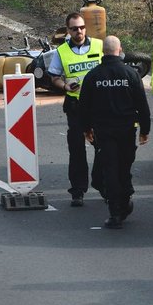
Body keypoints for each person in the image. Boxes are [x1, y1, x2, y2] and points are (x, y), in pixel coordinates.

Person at [78, 36, 152, 229]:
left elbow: (83, 106)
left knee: (110, 170)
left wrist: (86, 129)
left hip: (105, 132)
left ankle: (115, 213)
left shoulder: (93, 75)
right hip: (127, 130)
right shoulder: (131, 74)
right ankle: (125, 201)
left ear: (103, 52)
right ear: (120, 50)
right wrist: (145, 130)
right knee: (124, 168)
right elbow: (142, 105)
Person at [48, 12, 102, 206]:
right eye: (74, 29)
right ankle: (78, 191)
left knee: (102, 146)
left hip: (98, 105)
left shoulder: (98, 45)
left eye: (81, 27)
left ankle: (102, 185)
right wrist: (64, 85)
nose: (79, 31)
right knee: (77, 149)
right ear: (68, 31)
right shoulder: (61, 51)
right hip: (75, 106)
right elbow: (54, 77)